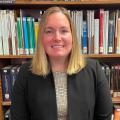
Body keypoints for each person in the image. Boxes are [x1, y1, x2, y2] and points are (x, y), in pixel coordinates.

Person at [11, 6, 113, 120]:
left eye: (64, 31)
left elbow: (104, 117)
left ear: (72, 36)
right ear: (41, 37)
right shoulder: (26, 73)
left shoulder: (94, 70)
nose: (57, 38)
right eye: (49, 31)